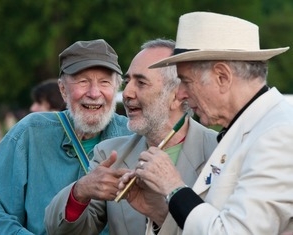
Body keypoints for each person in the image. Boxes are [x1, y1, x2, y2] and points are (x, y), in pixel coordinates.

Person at [118, 12, 293, 234]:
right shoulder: (252, 128)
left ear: (222, 76)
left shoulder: (278, 135)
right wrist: (159, 212)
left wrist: (173, 187)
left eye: (186, 81)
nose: (180, 93)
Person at [44, 38, 218, 235]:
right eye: (127, 81)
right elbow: (67, 232)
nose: (126, 93)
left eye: (141, 83)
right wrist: (79, 192)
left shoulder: (220, 152)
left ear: (178, 94)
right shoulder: (109, 154)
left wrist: (160, 215)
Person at [0, 39, 133, 235]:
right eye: (83, 81)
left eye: (104, 82)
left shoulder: (134, 138)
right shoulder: (30, 133)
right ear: (62, 89)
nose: (94, 93)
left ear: (116, 88)